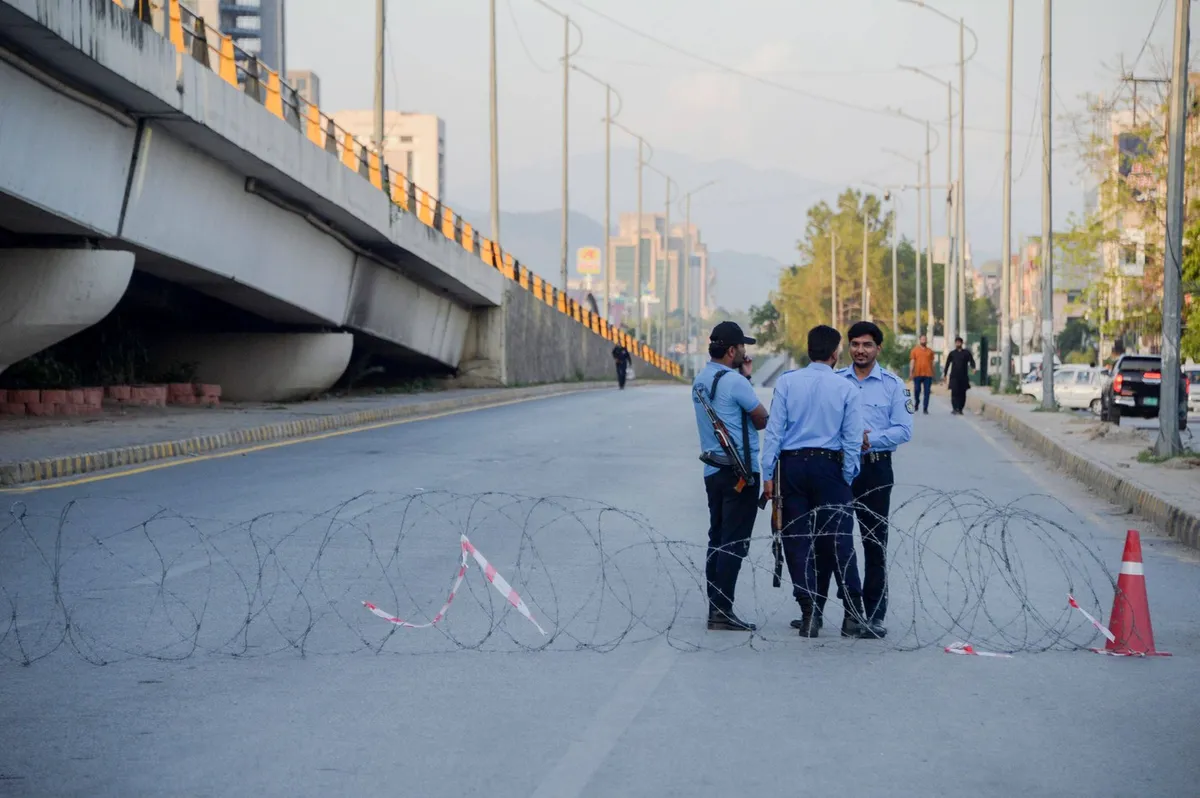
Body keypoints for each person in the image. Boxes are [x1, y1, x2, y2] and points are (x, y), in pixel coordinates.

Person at [762, 325, 876, 639]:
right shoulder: (846, 389)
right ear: (835, 353)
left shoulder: (787, 383)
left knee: (797, 541)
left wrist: (768, 474)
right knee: (839, 539)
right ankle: (852, 613)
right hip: (830, 467)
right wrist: (848, 476)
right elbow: (852, 440)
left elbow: (774, 432)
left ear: (808, 349)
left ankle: (809, 611)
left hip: (792, 466)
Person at [834, 321, 912, 637]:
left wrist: (870, 438)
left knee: (874, 543)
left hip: (876, 469)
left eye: (867, 345)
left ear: (878, 348)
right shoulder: (837, 381)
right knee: (837, 540)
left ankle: (875, 614)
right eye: (855, 344)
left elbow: (903, 429)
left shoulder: (894, 385)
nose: (860, 350)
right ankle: (845, 610)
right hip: (841, 469)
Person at [692, 321, 769, 631]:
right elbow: (761, 419)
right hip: (741, 474)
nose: (745, 352)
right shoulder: (736, 383)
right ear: (732, 350)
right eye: (742, 348)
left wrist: (745, 377)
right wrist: (745, 381)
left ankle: (716, 603)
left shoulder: (701, 379)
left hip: (713, 470)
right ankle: (722, 610)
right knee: (734, 543)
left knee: (718, 538)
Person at [944, 336, 976, 415]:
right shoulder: (952, 353)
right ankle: (955, 408)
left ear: (962, 343)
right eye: (957, 342)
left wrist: (973, 368)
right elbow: (947, 364)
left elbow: (972, 361)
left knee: (962, 393)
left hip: (963, 376)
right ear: (955, 343)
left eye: (959, 342)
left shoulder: (966, 353)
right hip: (954, 376)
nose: (958, 343)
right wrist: (945, 374)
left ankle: (960, 409)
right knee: (954, 392)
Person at [909, 333, 936, 415]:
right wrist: (911, 372)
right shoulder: (915, 350)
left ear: (926, 341)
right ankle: (917, 403)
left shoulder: (930, 351)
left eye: (925, 339)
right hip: (917, 373)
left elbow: (932, 362)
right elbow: (912, 361)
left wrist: (934, 373)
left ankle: (925, 408)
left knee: (927, 392)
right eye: (922, 339)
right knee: (917, 390)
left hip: (928, 374)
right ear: (920, 340)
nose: (924, 341)